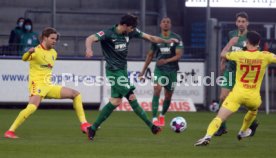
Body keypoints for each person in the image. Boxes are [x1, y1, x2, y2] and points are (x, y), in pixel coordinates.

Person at [85, 14, 178, 141]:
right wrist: (89, 49)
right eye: (131, 27)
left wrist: (166, 41)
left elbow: (150, 37)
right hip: (113, 72)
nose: (133, 30)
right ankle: (152, 126)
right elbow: (90, 38)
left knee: (115, 101)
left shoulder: (130, 32)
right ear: (124, 25)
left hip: (122, 71)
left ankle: (93, 128)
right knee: (131, 97)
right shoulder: (108, 33)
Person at [4, 27, 91, 139]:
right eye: (52, 38)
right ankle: (10, 131)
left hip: (48, 85)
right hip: (37, 84)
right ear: (45, 38)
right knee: (31, 108)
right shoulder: (35, 51)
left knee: (76, 94)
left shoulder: (54, 53)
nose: (55, 41)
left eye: (56, 39)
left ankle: (84, 124)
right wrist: (28, 52)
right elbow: (24, 59)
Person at [194, 31, 276, 146]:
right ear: (258, 43)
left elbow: (223, 54)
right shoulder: (265, 56)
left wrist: (230, 43)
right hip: (253, 97)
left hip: (237, 95)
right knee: (253, 110)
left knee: (219, 118)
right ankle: (242, 132)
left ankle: (207, 136)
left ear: (247, 42)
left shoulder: (238, 55)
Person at [215, 11, 258, 136]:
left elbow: (256, 54)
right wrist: (222, 63)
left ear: (247, 23)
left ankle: (253, 122)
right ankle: (221, 127)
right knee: (222, 98)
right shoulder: (231, 35)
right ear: (236, 22)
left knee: (245, 102)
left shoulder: (251, 37)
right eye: (239, 21)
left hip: (243, 74)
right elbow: (227, 49)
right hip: (230, 70)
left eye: (243, 21)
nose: (241, 24)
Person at [138, 17, 183, 126]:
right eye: (164, 22)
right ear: (160, 24)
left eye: (168, 22)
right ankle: (154, 118)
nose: (166, 24)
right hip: (159, 70)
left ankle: (162, 115)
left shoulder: (176, 38)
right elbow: (150, 55)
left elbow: (179, 55)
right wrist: (143, 71)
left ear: (170, 24)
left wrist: (166, 60)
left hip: (172, 71)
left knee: (168, 96)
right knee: (157, 89)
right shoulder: (156, 39)